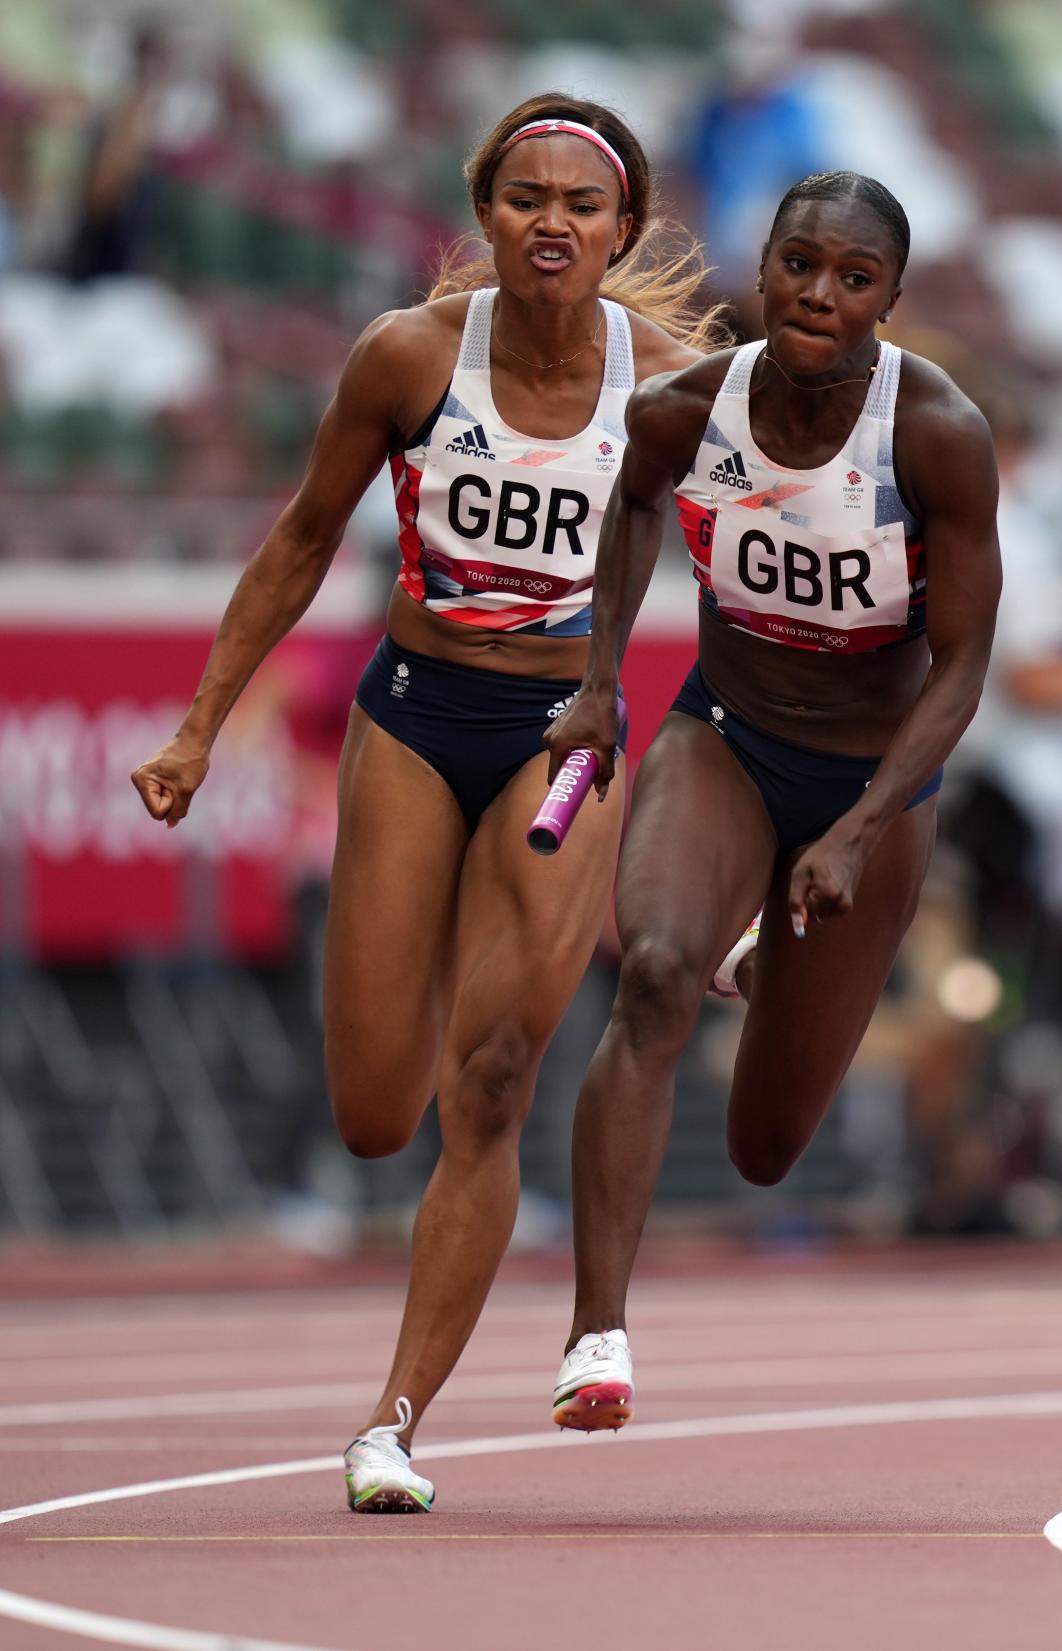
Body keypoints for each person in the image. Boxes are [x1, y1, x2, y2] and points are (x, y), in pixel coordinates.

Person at [131, 93, 721, 1510]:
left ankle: (391, 1421)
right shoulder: (405, 357)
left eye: (581, 205)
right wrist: (200, 722)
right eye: (525, 198)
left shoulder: (675, 387)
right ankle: (442, 955)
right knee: (374, 1109)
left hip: (565, 731)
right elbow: (297, 540)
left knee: (498, 1075)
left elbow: (748, 589)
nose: (552, 225)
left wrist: (744, 817)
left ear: (621, 226)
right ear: (483, 212)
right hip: (414, 715)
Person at [543, 170, 1002, 1431]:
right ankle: (597, 1333)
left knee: (764, 1145)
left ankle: (772, 937)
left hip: (876, 780)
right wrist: (597, 680)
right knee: (651, 974)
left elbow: (962, 663)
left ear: (889, 302)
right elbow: (633, 505)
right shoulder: (688, 405)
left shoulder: (938, 433)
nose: (820, 295)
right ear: (765, 265)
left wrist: (860, 829)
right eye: (801, 264)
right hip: (725, 738)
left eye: (855, 279)